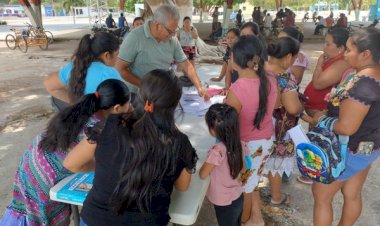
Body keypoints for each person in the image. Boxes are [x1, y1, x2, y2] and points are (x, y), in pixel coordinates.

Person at [63, 69, 198, 226]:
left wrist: (102, 163)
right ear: (175, 104)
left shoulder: (110, 125)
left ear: (139, 93)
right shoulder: (179, 143)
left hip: (96, 220)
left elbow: (71, 163)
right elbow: (182, 186)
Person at [0, 79, 132, 226]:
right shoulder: (98, 129)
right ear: (117, 108)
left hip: (29, 168)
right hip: (45, 181)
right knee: (41, 218)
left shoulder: (81, 110)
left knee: (27, 211)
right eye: (129, 104)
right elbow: (77, 164)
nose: (131, 108)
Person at [311, 27, 380, 226]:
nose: (345, 54)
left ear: (365, 54)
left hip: (347, 150)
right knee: (352, 193)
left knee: (322, 196)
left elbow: (346, 128)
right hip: (368, 148)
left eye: (349, 50)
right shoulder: (373, 75)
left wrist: (322, 120)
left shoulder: (362, 85)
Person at [226, 35, 278, 226]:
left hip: (247, 146)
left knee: (245, 188)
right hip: (265, 142)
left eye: (230, 56)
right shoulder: (271, 79)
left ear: (238, 61)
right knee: (251, 182)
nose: (229, 60)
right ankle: (250, 219)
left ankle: (246, 220)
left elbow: (227, 124)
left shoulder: (238, 88)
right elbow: (275, 105)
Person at [115, 5, 209, 101]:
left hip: (158, 92)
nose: (173, 35)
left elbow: (187, 65)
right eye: (170, 31)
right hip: (135, 94)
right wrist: (144, 86)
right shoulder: (135, 37)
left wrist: (199, 86)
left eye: (175, 31)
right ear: (157, 25)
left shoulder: (172, 40)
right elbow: (120, 68)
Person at [263, 37, 303, 207]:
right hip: (278, 126)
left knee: (261, 156)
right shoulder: (285, 77)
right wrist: (302, 106)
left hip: (259, 122)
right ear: (288, 57)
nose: (293, 62)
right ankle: (276, 196)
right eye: (294, 58)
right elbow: (293, 108)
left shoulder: (260, 68)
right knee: (276, 160)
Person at [44, 32, 121, 110]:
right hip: (100, 119)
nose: (117, 59)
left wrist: (75, 102)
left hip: (80, 116)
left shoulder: (74, 67)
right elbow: (120, 105)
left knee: (55, 100)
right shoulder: (110, 73)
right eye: (117, 54)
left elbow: (49, 85)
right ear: (107, 55)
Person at [199, 103, 245, 226]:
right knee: (236, 222)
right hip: (238, 194)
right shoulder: (239, 143)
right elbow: (244, 167)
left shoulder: (217, 151)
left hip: (223, 200)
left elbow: (203, 174)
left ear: (213, 129)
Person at [224, 22, 268, 90]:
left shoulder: (259, 52)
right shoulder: (237, 48)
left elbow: (249, 67)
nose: (245, 38)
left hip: (249, 89)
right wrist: (227, 87)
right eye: (242, 35)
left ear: (256, 36)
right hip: (236, 87)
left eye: (249, 36)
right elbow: (229, 70)